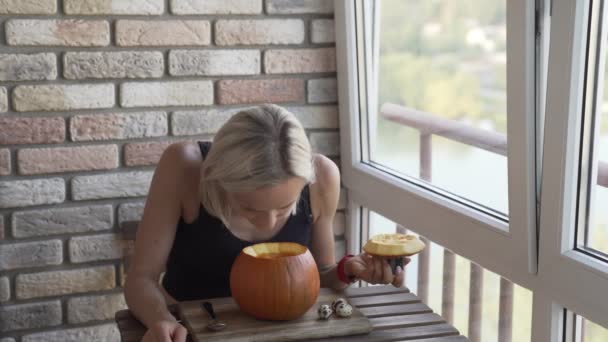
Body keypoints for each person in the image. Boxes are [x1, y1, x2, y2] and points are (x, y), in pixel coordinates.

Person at [124, 104, 410, 342]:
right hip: (196, 331)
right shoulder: (184, 167)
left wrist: (349, 270)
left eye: (285, 207)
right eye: (250, 208)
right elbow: (141, 279)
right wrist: (160, 320)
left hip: (284, 332)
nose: (268, 222)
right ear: (219, 180)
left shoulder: (323, 176)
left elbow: (320, 276)